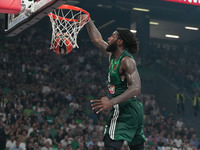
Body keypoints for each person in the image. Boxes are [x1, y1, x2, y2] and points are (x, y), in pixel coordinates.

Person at [79, 15, 146, 150]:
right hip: (134, 111)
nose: (108, 39)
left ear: (120, 42)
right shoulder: (112, 56)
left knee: (110, 142)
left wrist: (111, 102)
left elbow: (136, 88)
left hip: (124, 108)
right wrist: (88, 21)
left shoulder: (126, 60)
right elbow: (97, 40)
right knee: (137, 146)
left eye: (112, 37)